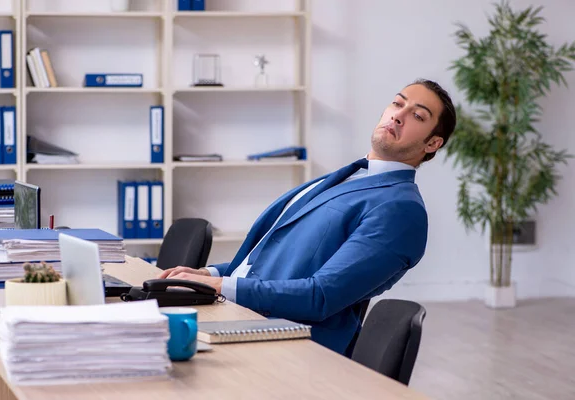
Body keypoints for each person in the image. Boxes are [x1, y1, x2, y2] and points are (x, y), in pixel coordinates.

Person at [159, 79, 456, 355]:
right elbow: (279, 259)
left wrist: (222, 286)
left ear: (432, 144)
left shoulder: (400, 209)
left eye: (418, 116)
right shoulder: (345, 178)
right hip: (239, 320)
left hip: (284, 346)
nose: (398, 115)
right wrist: (209, 275)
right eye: (397, 103)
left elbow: (321, 296)